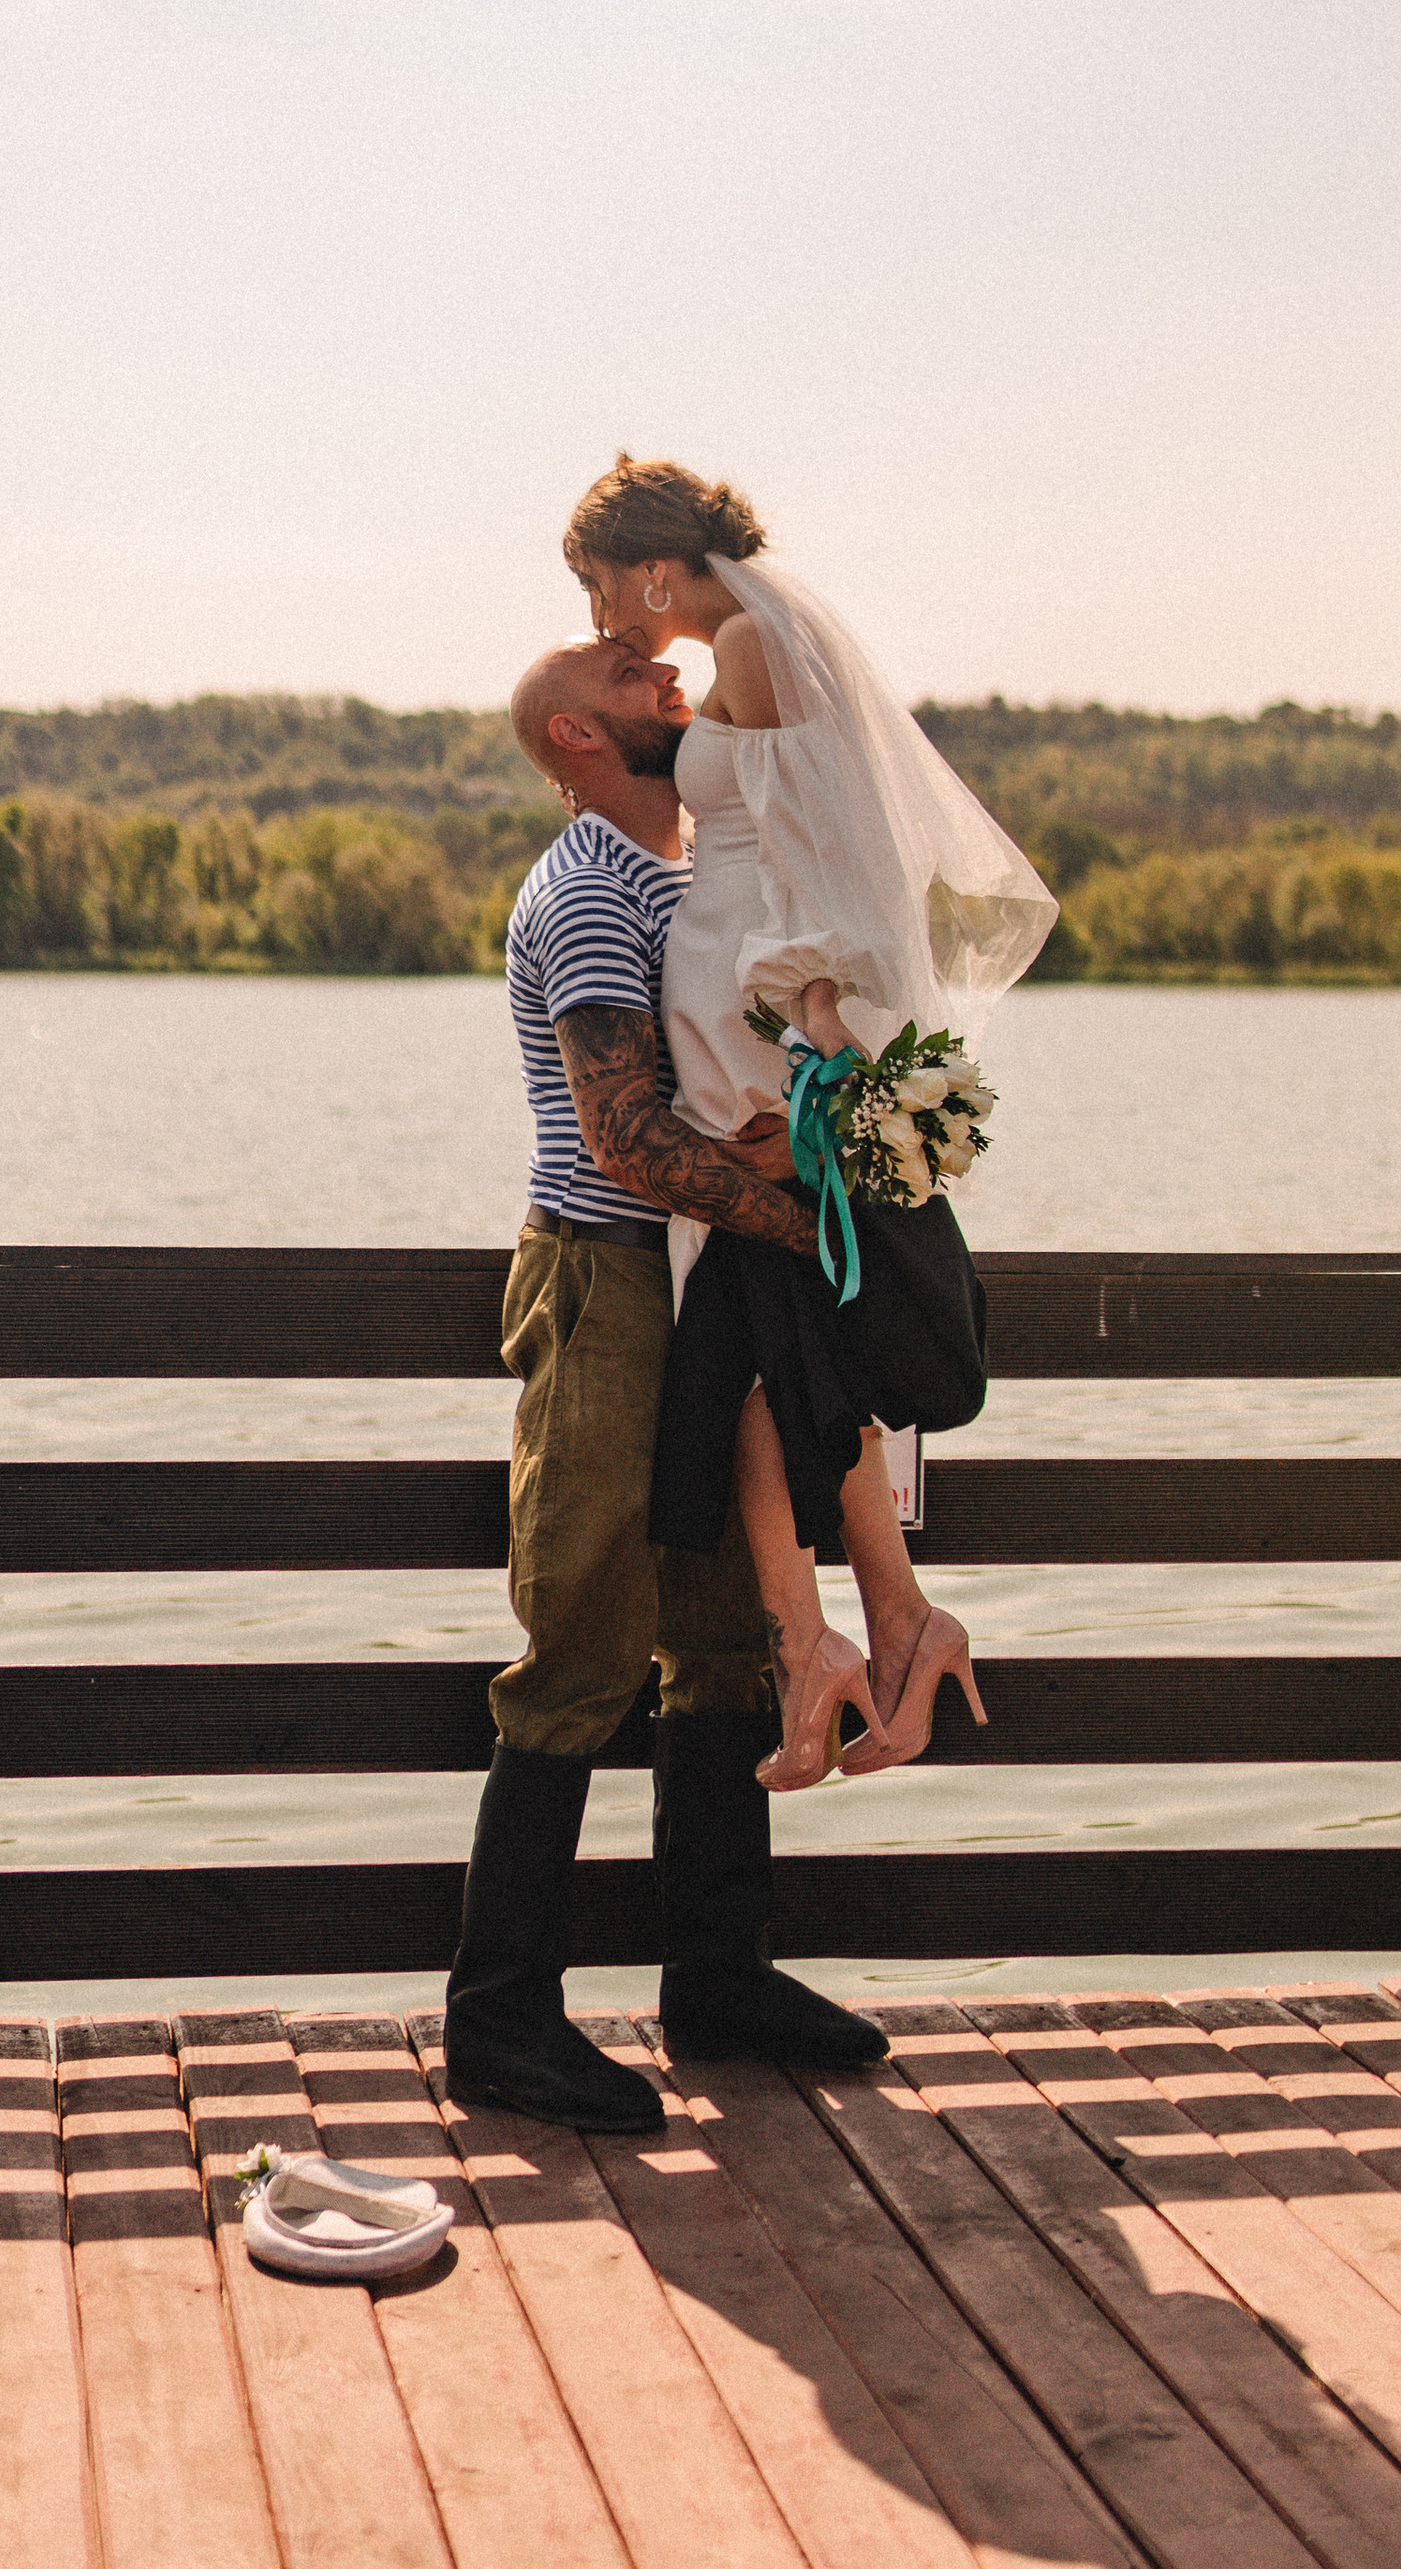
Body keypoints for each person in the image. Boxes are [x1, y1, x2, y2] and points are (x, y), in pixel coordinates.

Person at [436, 630, 888, 2136]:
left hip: (702, 1286)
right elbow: (624, 1131)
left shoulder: (703, 871)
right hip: (612, 1277)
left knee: (716, 1634)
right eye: (630, 678)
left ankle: (719, 1978)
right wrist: (816, 1217)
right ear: (573, 734)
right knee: (581, 1631)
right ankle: (502, 2018)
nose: (668, 679)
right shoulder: (583, 891)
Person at [562, 455, 1056, 1789]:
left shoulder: (746, 642)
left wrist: (821, 1058)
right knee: (765, 1341)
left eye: (599, 581)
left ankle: (823, 1641)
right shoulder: (750, 637)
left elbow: (820, 854)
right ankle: (873, 1625)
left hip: (756, 1039)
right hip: (749, 1021)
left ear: (650, 565)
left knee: (745, 1341)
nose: (602, 612)